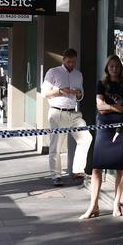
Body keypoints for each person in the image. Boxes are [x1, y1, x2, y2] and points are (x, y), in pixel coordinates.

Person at [80, 54, 123, 220]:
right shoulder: (101, 84)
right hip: (103, 128)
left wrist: (110, 108)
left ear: (120, 67)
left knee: (120, 168)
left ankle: (116, 203)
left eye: (116, 66)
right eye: (111, 66)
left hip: (120, 128)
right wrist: (115, 107)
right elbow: (99, 106)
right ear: (107, 68)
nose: (114, 69)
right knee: (96, 168)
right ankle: (93, 205)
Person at [42, 48, 92, 188]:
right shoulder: (53, 72)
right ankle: (56, 176)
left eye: (73, 62)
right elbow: (45, 93)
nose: (71, 64)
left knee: (86, 137)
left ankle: (77, 170)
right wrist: (60, 91)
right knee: (56, 145)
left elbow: (81, 95)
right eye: (68, 61)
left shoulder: (78, 74)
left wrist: (78, 93)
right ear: (63, 59)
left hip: (73, 112)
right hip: (57, 112)